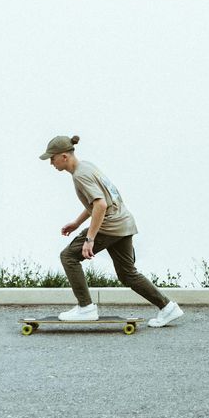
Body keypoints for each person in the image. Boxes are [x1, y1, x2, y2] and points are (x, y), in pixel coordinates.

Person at [41, 134, 183, 327]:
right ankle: (168, 308)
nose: (51, 163)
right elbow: (99, 201)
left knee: (68, 256)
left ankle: (86, 308)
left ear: (64, 156)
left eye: (52, 158)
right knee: (127, 274)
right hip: (123, 222)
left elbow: (100, 205)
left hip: (110, 226)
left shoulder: (80, 175)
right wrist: (76, 223)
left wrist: (89, 238)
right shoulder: (87, 167)